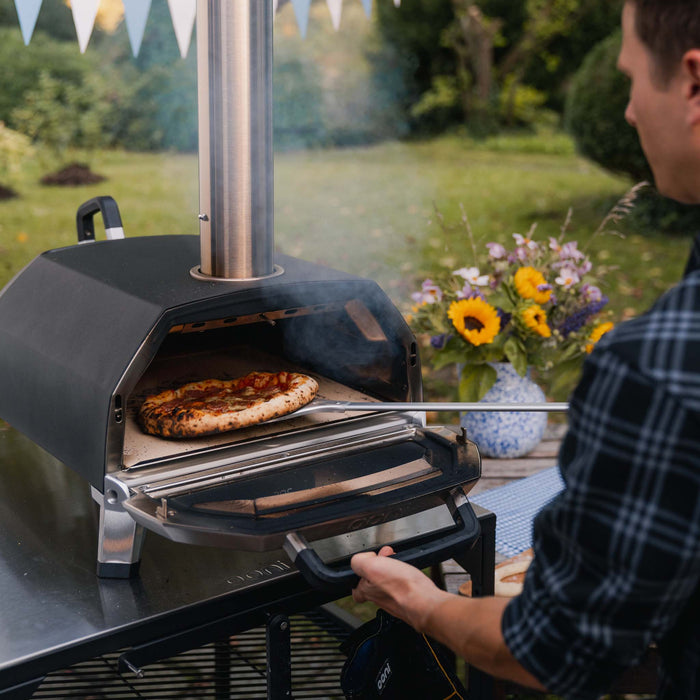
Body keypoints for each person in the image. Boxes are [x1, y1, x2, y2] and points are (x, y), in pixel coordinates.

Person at [350, 1, 700, 697]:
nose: (629, 110)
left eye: (632, 79)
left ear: (693, 83)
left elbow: (551, 652)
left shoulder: (658, 368)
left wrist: (423, 602)